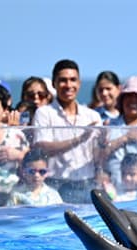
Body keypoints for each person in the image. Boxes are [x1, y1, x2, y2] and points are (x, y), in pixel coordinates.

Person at [33, 59, 103, 203]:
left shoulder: (92, 116)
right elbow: (42, 149)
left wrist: (105, 143)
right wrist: (79, 139)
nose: (69, 85)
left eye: (73, 80)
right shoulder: (44, 113)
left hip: (86, 184)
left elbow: (98, 156)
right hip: (55, 185)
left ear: (79, 83)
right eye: (63, 80)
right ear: (54, 84)